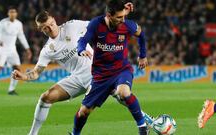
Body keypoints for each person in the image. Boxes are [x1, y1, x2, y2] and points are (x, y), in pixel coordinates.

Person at [12, 9, 153, 135]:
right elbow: (36, 72)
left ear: (54, 20)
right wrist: (24, 76)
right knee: (46, 97)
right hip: (77, 78)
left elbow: (97, 24)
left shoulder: (72, 26)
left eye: (51, 24)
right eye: (45, 28)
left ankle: (148, 121)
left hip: (97, 73)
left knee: (120, 95)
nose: (50, 28)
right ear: (40, 29)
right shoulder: (47, 50)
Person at [70, 0, 148, 135]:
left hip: (121, 70)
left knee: (124, 92)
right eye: (119, 17)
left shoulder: (127, 25)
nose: (123, 20)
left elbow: (141, 35)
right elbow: (83, 39)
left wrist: (142, 55)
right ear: (109, 15)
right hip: (101, 75)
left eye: (124, 16)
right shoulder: (96, 24)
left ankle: (142, 127)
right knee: (84, 112)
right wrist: (81, 49)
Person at [0, 6, 32, 96]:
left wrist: (27, 48)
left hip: (12, 49)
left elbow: (21, 36)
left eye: (14, 12)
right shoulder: (2, 23)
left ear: (16, 13)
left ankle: (11, 90)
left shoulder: (18, 24)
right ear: (8, 13)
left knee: (17, 69)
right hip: (3, 48)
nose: (12, 14)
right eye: (11, 12)